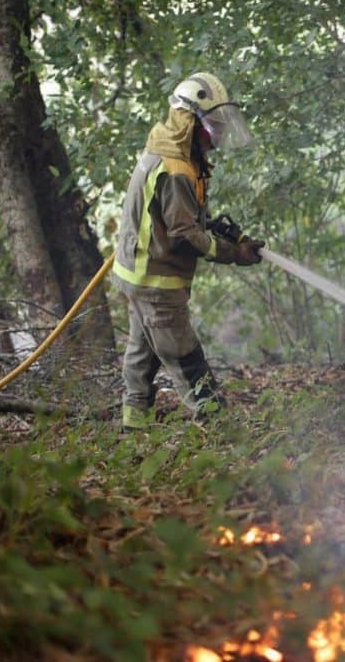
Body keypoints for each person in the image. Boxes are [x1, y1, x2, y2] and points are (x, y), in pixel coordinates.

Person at [111, 72, 264, 430]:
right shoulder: (176, 167)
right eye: (212, 126)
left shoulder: (174, 152)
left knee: (141, 359)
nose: (219, 135)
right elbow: (182, 233)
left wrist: (230, 234)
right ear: (188, 122)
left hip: (141, 276)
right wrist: (232, 253)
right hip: (156, 281)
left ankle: (133, 434)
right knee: (186, 359)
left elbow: (184, 216)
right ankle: (222, 431)